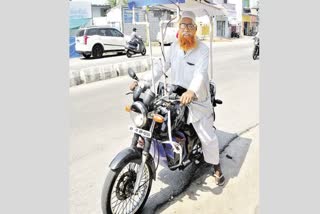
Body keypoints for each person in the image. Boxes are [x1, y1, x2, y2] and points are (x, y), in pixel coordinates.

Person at [129, 11, 225, 186]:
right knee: (157, 122)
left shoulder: (202, 49)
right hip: (174, 95)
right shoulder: (173, 47)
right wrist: (143, 82)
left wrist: (192, 91)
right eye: (183, 25)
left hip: (196, 100)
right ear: (178, 29)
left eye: (190, 26)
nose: (186, 29)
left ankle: (216, 166)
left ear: (195, 29)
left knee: (207, 136)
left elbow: (200, 73)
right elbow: (160, 67)